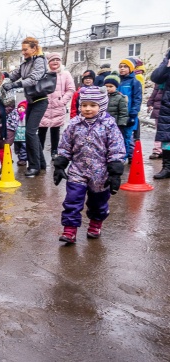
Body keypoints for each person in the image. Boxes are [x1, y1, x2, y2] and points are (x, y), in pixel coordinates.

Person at [54, 86, 125, 244]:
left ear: (102, 106)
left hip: (100, 173)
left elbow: (116, 148)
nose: (87, 109)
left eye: (93, 105)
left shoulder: (109, 125)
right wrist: (60, 163)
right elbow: (65, 145)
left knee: (97, 202)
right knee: (72, 199)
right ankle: (70, 230)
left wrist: (115, 171)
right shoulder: (74, 124)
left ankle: (95, 224)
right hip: (77, 170)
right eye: (84, 105)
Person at [3, 37, 48, 177]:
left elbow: (34, 78)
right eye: (22, 49)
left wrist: (15, 85)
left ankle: (34, 166)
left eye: (25, 49)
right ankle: (41, 163)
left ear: (34, 48)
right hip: (31, 102)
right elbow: (13, 75)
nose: (23, 52)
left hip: (40, 100)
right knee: (31, 133)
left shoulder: (40, 61)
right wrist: (1, 76)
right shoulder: (25, 63)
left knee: (29, 133)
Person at [39, 52, 76, 160]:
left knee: (55, 130)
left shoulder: (65, 74)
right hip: (44, 106)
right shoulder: (43, 74)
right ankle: (39, 152)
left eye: (57, 60)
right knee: (42, 129)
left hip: (58, 106)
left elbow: (71, 89)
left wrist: (62, 101)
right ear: (48, 62)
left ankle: (54, 151)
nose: (55, 62)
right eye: (52, 60)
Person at [117, 57, 143, 162]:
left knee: (127, 137)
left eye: (125, 67)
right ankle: (118, 156)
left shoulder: (135, 82)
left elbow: (137, 99)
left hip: (128, 115)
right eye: (120, 67)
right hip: (117, 115)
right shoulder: (117, 81)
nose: (122, 69)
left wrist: (133, 114)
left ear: (131, 68)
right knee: (117, 137)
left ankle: (125, 157)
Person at [150, 49, 170, 179]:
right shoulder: (168, 59)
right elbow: (155, 77)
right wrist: (167, 65)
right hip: (168, 106)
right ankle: (167, 167)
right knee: (167, 138)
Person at [147, 82, 164, 159]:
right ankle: (157, 150)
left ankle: (166, 150)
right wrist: (150, 103)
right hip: (159, 109)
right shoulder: (160, 81)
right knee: (159, 131)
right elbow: (154, 93)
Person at [14, 101, 28, 166]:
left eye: (23, 108)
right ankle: (20, 158)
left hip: (23, 135)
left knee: (23, 147)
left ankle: (23, 159)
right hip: (17, 136)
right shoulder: (16, 115)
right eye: (19, 107)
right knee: (17, 148)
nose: (20, 109)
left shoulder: (25, 116)